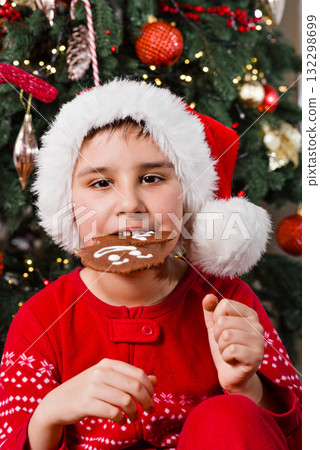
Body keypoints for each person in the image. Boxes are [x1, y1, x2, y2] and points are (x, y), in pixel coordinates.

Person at [0, 79, 301, 450]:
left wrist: (247, 387)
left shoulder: (227, 303)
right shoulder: (42, 320)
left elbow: (298, 434)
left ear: (188, 198)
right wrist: (48, 415)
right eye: (100, 183)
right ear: (68, 207)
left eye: (151, 178)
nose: (130, 203)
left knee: (228, 416)